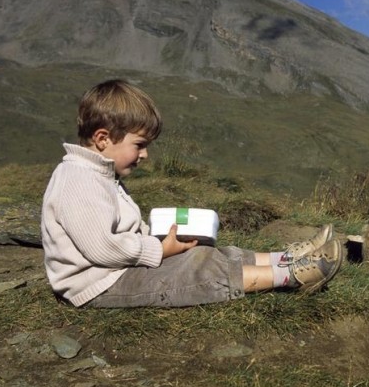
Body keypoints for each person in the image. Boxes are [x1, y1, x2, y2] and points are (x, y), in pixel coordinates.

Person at [40, 79, 343, 308]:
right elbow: (103, 249)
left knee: (206, 253)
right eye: (139, 145)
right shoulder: (79, 180)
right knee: (200, 269)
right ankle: (293, 276)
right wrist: (158, 251)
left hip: (115, 271)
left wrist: (160, 242)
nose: (144, 155)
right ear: (103, 138)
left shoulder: (100, 174)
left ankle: (286, 258)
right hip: (98, 285)